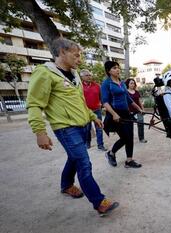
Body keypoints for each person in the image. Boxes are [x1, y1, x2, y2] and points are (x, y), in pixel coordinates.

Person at [26, 38, 118, 216]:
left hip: (83, 125)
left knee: (74, 158)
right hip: (66, 128)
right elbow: (34, 104)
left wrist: (92, 116)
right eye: (76, 55)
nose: (79, 59)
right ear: (62, 52)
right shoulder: (44, 73)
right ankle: (99, 201)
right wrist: (39, 132)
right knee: (84, 163)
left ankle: (66, 185)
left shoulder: (74, 74)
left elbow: (79, 101)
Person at [101, 61, 143, 168]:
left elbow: (128, 99)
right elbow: (105, 102)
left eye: (118, 68)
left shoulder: (122, 83)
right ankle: (111, 153)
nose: (117, 70)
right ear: (108, 70)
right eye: (114, 68)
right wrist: (114, 114)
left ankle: (129, 160)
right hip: (115, 114)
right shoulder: (106, 84)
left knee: (130, 137)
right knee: (125, 137)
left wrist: (139, 108)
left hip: (126, 113)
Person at [80, 69, 107, 151]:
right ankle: (87, 143)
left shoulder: (97, 85)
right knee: (87, 129)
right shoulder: (79, 86)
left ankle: (100, 145)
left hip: (97, 110)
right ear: (82, 77)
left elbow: (101, 97)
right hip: (86, 111)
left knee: (99, 127)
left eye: (90, 75)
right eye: (86, 75)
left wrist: (102, 105)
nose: (89, 77)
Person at [125, 78, 148, 143]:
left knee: (141, 124)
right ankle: (129, 139)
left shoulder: (137, 92)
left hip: (138, 110)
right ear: (128, 84)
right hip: (130, 112)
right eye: (131, 83)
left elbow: (139, 101)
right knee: (130, 126)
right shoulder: (126, 92)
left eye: (133, 83)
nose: (132, 84)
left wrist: (143, 109)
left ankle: (141, 138)